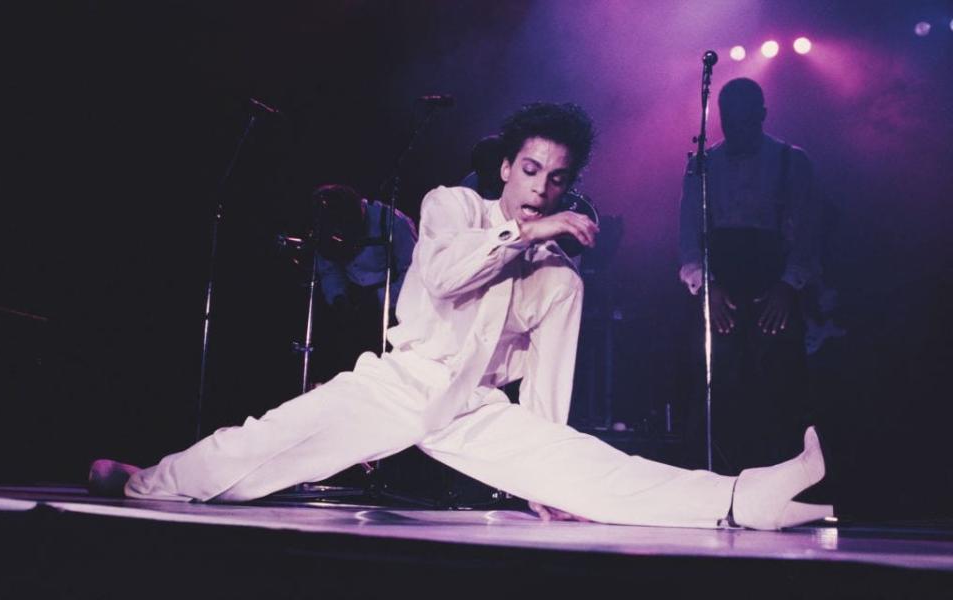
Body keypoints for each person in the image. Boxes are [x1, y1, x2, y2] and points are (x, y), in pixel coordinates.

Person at [91, 102, 830, 530]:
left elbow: (547, 383)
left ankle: (741, 498)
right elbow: (443, 279)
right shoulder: (453, 205)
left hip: (472, 407)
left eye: (559, 180)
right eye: (531, 170)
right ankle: (146, 481)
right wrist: (527, 235)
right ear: (507, 167)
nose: (542, 189)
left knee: (591, 467)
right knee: (266, 444)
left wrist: (550, 475)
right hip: (406, 381)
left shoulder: (554, 273)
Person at [679, 78, 820, 474]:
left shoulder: (793, 161)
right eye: (729, 121)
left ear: (762, 115)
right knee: (715, 384)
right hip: (720, 281)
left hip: (772, 280)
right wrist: (707, 287)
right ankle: (713, 481)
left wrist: (787, 287)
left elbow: (808, 233)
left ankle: (783, 479)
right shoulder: (702, 164)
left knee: (776, 384)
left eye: (746, 120)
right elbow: (688, 236)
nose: (737, 130)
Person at [304, 184, 417, 379]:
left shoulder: (393, 222)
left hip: (394, 307)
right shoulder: (327, 227)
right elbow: (330, 268)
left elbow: (415, 272)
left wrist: (380, 299)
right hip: (352, 303)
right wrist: (338, 297)